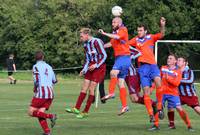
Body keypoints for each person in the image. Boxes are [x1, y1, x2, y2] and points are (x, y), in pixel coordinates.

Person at [128, 17, 166, 122]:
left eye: (141, 30)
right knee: (146, 92)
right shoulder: (135, 40)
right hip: (142, 68)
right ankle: (151, 115)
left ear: (145, 31)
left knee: (159, 83)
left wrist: (162, 25)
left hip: (153, 66)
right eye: (138, 30)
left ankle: (159, 107)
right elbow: (125, 45)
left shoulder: (151, 37)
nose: (139, 32)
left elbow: (161, 34)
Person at [65, 28, 107, 118]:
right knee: (84, 87)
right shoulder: (85, 44)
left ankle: (85, 111)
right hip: (90, 66)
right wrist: (84, 69)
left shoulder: (97, 42)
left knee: (91, 89)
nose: (80, 38)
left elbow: (104, 56)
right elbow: (88, 59)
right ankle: (76, 108)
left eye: (81, 36)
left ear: (87, 35)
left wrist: (96, 65)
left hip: (99, 67)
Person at [150, 54, 193, 131]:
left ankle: (189, 125)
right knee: (157, 106)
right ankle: (155, 125)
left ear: (175, 61)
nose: (168, 59)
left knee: (178, 109)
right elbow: (157, 79)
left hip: (173, 94)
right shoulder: (163, 68)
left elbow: (176, 83)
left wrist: (168, 78)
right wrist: (152, 88)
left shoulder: (178, 71)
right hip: (162, 92)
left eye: (170, 58)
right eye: (168, 58)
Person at [99, 17, 131, 115]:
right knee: (120, 83)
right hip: (122, 59)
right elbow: (110, 43)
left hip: (124, 57)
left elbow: (117, 37)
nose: (112, 23)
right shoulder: (117, 33)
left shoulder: (123, 30)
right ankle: (125, 106)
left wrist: (104, 33)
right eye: (112, 22)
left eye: (114, 22)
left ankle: (111, 93)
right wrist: (99, 46)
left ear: (119, 23)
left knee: (113, 72)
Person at [28, 51, 57, 135]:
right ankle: (47, 132)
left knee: (30, 112)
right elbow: (54, 80)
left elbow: (36, 80)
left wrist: (35, 88)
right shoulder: (49, 66)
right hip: (50, 93)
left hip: (42, 92)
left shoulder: (35, 66)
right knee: (40, 113)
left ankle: (51, 116)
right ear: (43, 57)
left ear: (35, 58)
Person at [166, 57, 200, 129]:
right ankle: (172, 125)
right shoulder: (175, 71)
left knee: (197, 109)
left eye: (179, 60)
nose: (177, 61)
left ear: (184, 63)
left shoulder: (189, 71)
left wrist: (178, 80)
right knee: (170, 106)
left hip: (189, 95)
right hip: (178, 95)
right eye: (177, 60)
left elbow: (190, 81)